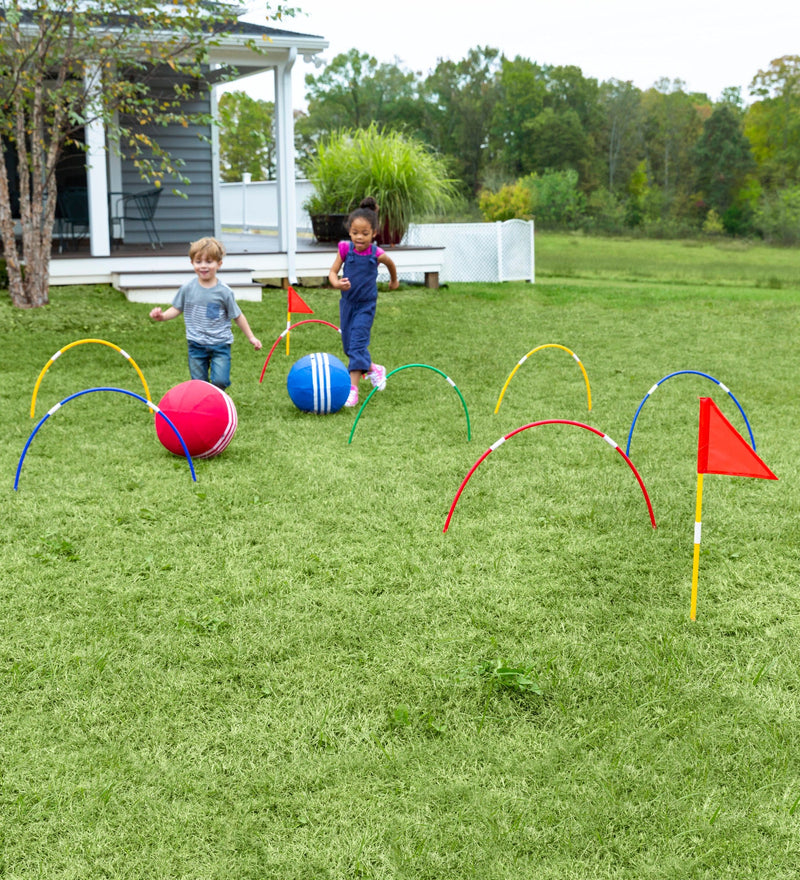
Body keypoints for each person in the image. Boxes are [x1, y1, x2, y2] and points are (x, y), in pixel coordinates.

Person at [149, 237, 262, 391]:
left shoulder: (224, 292)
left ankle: (218, 402)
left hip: (220, 345)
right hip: (196, 345)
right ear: (192, 263)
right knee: (198, 385)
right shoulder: (187, 288)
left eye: (209, 262)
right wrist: (162, 316)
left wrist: (251, 337)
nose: (203, 266)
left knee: (220, 381)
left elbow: (238, 316)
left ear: (219, 264)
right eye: (198, 261)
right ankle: (205, 410)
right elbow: (176, 309)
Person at [327, 198, 399, 407]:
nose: (359, 237)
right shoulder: (344, 249)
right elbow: (332, 272)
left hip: (366, 306)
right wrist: (337, 283)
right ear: (350, 231)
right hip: (347, 304)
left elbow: (391, 263)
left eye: (365, 234)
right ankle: (374, 369)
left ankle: (353, 391)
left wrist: (394, 281)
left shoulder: (376, 253)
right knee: (349, 347)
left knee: (357, 345)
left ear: (374, 233)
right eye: (355, 232)